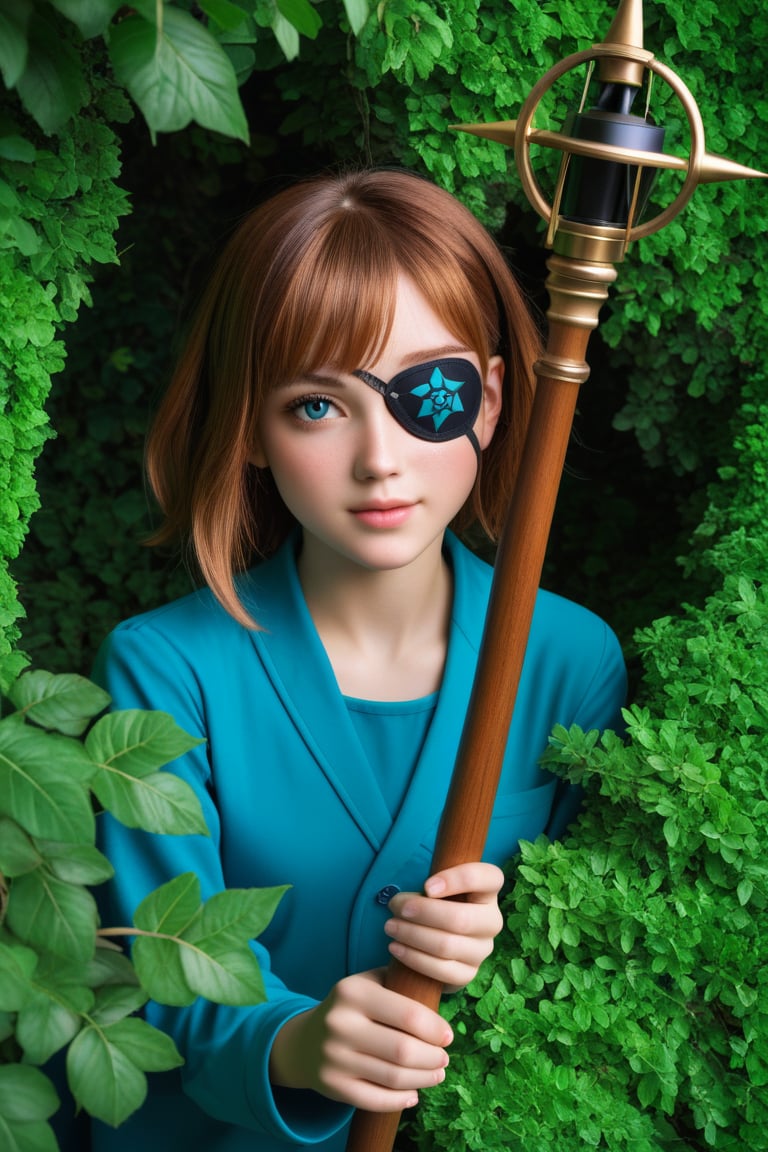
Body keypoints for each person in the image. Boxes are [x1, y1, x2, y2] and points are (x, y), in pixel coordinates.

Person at [92, 168, 626, 1152]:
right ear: (251, 428)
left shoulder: (570, 661)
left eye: (427, 391)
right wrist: (293, 1046)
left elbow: (595, 975)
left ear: (495, 400)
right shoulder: (164, 670)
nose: (380, 456)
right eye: (316, 407)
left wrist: (507, 939)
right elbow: (146, 980)